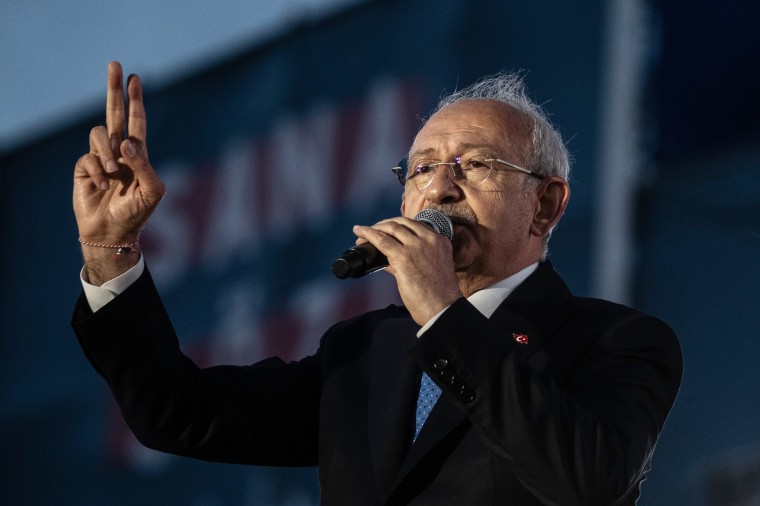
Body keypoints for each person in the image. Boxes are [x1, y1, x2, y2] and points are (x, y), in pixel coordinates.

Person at [71, 61, 682, 505]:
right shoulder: (363, 352)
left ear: (545, 205)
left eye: (474, 165)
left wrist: (444, 314)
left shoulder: (619, 340)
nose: (439, 188)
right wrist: (110, 252)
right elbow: (176, 413)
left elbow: (587, 481)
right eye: (420, 168)